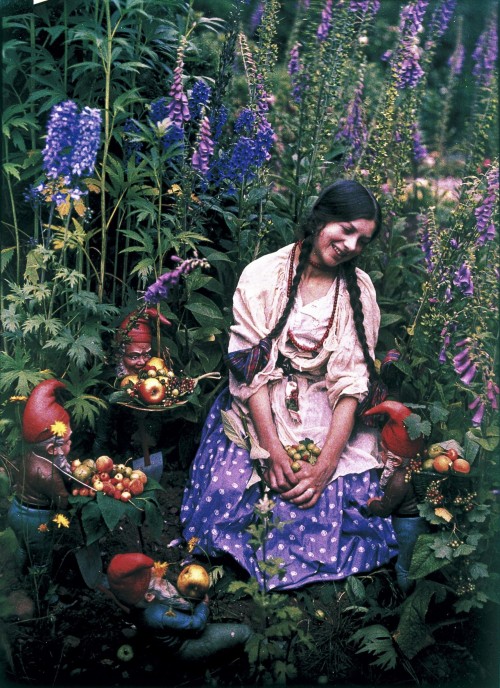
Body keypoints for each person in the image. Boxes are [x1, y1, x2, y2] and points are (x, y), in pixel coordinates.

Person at [181, 179, 398, 590]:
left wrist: (326, 463)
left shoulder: (359, 290)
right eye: (346, 229)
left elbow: (353, 382)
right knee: (236, 485)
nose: (351, 245)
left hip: (327, 405)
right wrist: (271, 447)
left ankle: (303, 556)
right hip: (264, 400)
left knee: (319, 493)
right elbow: (250, 370)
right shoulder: (264, 275)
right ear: (321, 219)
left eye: (362, 240)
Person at [106, 553, 252, 660]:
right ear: (149, 596)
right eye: (161, 581)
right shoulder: (159, 614)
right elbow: (197, 624)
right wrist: (203, 605)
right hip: (184, 647)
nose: (165, 581)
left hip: (165, 639)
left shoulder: (139, 604)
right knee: (245, 632)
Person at [362, 400, 429, 593]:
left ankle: (406, 598)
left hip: (408, 525)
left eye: (384, 452)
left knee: (405, 566)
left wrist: (372, 504)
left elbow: (385, 510)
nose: (381, 456)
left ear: (396, 459)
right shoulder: (414, 468)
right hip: (416, 522)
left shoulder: (399, 480)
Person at [8, 379, 73, 572]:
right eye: (68, 441)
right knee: (41, 557)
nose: (71, 445)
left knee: (22, 546)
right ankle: (42, 593)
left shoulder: (27, 456)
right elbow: (63, 501)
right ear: (53, 449)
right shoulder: (49, 473)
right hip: (36, 520)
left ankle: (18, 573)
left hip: (16, 510)